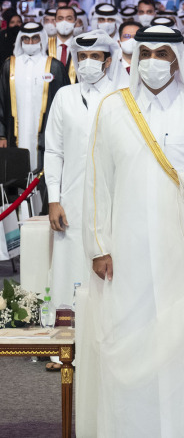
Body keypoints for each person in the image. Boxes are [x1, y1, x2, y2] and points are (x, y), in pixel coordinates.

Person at [79, 25, 184, 437]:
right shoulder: (113, 107)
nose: (154, 62)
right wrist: (98, 245)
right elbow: (98, 182)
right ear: (135, 58)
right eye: (146, 53)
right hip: (127, 251)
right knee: (130, 333)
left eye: (163, 53)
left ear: (177, 57)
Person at [43, 32, 123, 346]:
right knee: (68, 265)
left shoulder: (125, 95)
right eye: (83, 57)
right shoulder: (64, 95)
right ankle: (65, 344)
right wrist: (53, 199)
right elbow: (53, 151)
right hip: (71, 199)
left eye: (95, 57)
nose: (88, 63)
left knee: (113, 264)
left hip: (115, 199)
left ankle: (108, 344)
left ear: (108, 60)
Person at [0, 22, 70, 166]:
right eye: (26, 39)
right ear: (20, 40)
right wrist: (1, 134)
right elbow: (1, 101)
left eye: (35, 39)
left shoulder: (54, 66)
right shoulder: (10, 65)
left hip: (44, 133)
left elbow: (65, 103)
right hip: (14, 132)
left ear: (42, 39)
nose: (30, 43)